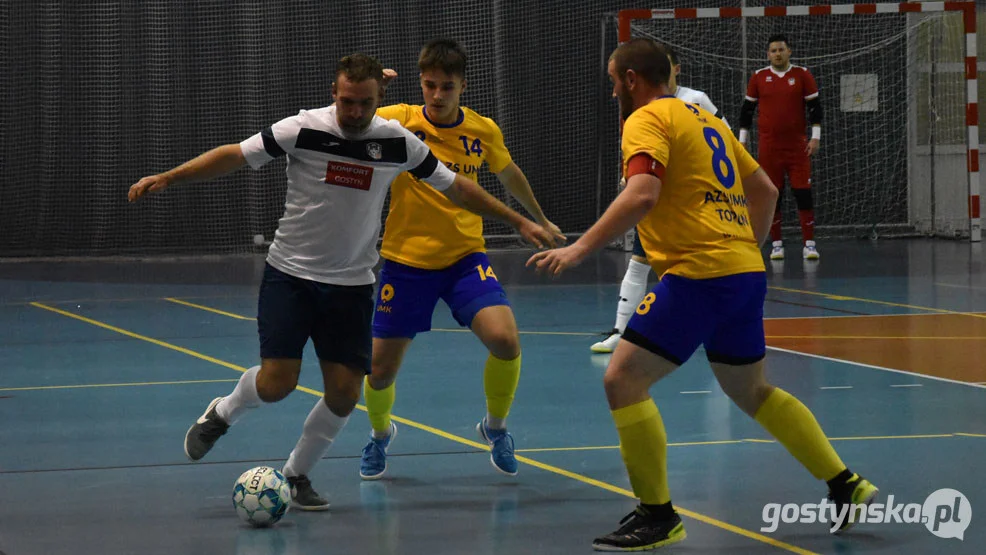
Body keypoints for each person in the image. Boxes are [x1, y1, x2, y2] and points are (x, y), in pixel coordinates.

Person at [127, 53, 558, 511]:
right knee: (278, 383)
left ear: (380, 100)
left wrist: (519, 221)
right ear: (334, 95)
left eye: (365, 104)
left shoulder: (398, 141)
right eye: (347, 102)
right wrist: (170, 177)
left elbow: (456, 187)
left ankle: (296, 475)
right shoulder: (304, 128)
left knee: (346, 393)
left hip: (351, 285)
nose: (354, 113)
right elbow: (236, 154)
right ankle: (223, 412)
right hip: (290, 274)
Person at [528, 38, 876, 551]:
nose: (612, 93)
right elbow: (766, 191)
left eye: (612, 83)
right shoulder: (706, 119)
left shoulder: (645, 120)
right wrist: (741, 248)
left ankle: (658, 515)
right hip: (742, 272)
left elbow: (642, 193)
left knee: (622, 380)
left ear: (629, 80)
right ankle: (845, 483)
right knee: (751, 390)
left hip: (699, 274)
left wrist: (579, 249)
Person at [358, 39, 564, 480]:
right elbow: (345, 117)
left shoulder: (482, 130)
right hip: (406, 262)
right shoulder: (399, 122)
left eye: (446, 87)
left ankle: (495, 428)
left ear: (463, 86)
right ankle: (379, 435)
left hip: (464, 259)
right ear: (420, 83)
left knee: (506, 341)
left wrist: (540, 218)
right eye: (430, 85)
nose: (437, 95)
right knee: (378, 371)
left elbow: (509, 173)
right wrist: (372, 87)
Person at [592, 45, 729, 354]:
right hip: (659, 202)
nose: (614, 92)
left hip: (692, 206)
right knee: (638, 263)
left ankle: (712, 324)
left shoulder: (694, 101)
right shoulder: (640, 111)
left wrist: (579, 249)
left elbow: (726, 139)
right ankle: (622, 330)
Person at [738, 33, 822, 261]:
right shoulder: (758, 77)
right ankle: (776, 244)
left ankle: (809, 244)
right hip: (769, 149)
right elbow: (747, 112)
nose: (777, 54)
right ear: (768, 54)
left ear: (789, 51)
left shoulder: (802, 75)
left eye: (781, 50)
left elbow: (815, 107)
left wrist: (815, 137)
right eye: (773, 50)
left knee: (803, 193)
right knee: (773, 194)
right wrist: (741, 141)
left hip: (797, 149)